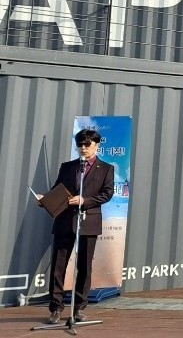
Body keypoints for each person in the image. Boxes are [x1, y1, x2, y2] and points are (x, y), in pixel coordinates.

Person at [38, 129, 114, 324]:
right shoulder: (67, 167)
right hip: (64, 221)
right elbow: (57, 190)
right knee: (58, 266)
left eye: (87, 144)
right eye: (79, 144)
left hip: (89, 221)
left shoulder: (106, 168)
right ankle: (55, 308)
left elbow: (107, 194)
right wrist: (45, 199)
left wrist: (84, 200)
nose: (83, 148)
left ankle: (79, 308)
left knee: (84, 267)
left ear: (97, 145)